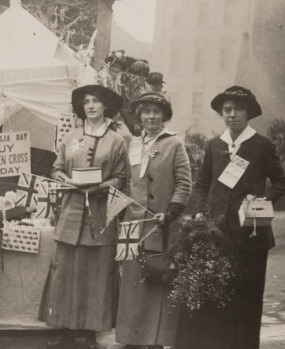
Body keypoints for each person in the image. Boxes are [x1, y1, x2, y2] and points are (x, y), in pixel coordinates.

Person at [177, 86, 285, 349]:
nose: (232, 115)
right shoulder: (215, 145)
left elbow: (280, 181)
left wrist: (262, 202)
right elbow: (202, 184)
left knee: (247, 294)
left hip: (252, 230)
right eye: (227, 110)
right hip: (216, 232)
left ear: (248, 113)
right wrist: (201, 211)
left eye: (238, 109)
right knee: (217, 293)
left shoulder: (261, 145)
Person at [41, 84, 128, 349]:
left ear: (105, 107)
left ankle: (90, 332)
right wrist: (66, 179)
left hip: (99, 217)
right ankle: (64, 330)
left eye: (96, 101)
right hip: (70, 214)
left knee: (95, 275)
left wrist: (99, 187)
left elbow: (122, 179)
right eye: (87, 102)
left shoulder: (117, 140)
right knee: (65, 273)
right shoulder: (71, 136)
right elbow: (55, 169)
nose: (90, 106)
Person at [115, 93, 191, 349]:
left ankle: (156, 340)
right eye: (146, 112)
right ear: (139, 116)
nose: (150, 116)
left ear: (164, 116)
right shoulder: (133, 144)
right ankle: (131, 340)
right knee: (132, 285)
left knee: (157, 281)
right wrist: (122, 209)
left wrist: (170, 212)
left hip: (162, 224)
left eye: (156, 112)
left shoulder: (174, 144)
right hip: (133, 226)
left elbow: (184, 183)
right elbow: (127, 182)